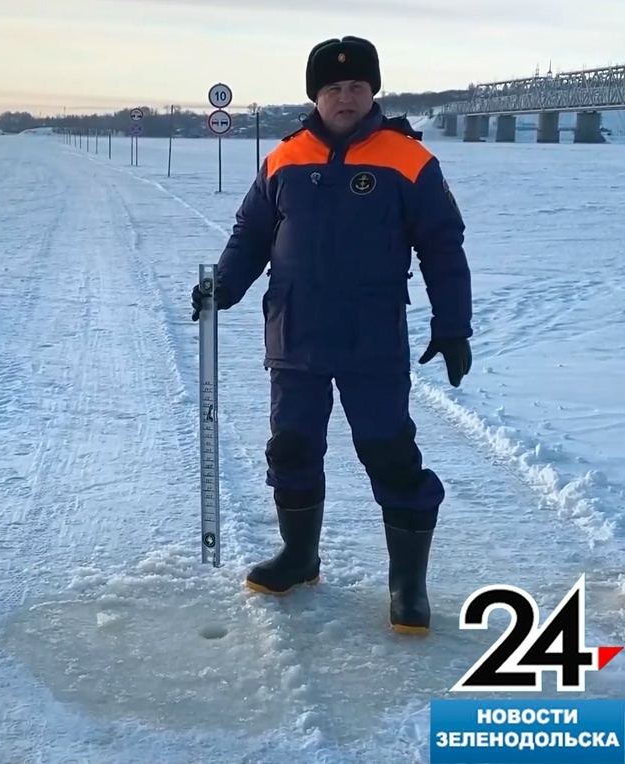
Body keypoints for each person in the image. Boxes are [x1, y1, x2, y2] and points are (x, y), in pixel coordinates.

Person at [191, 36, 472, 634]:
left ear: (373, 91)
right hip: (294, 334)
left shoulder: (409, 159)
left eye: (357, 87)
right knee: (291, 447)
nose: (346, 97)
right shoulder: (284, 158)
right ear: (315, 96)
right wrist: (224, 286)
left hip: (373, 340)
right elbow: (251, 234)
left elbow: (443, 247)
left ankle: (407, 584)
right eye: (333, 88)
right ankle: (299, 556)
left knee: (390, 454)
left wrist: (453, 325)